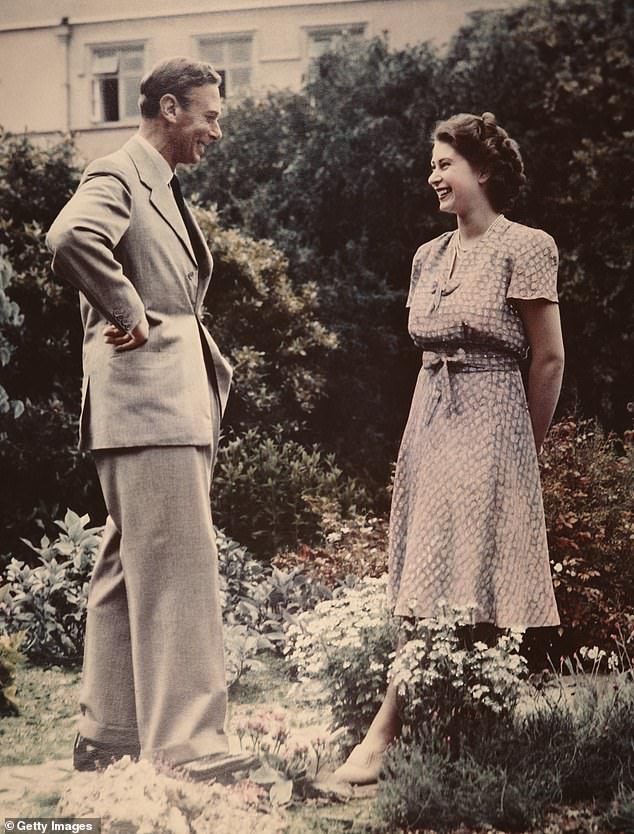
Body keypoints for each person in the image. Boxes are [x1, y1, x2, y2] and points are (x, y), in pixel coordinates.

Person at [333, 111, 565, 785]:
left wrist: (524, 446)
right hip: (430, 413)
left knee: (474, 571)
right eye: (433, 165)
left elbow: (548, 359)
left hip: (495, 415)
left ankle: (396, 731)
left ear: (482, 170)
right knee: (427, 569)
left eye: (443, 164)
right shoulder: (427, 256)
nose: (431, 176)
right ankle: (446, 725)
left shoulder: (528, 245)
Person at [46, 56, 259, 780]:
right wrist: (128, 306)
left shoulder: (156, 183)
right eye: (209, 114)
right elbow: (70, 239)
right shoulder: (119, 173)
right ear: (169, 108)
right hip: (151, 404)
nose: (217, 131)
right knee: (179, 572)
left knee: (127, 567)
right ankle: (190, 747)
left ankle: (109, 735)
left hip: (154, 405)